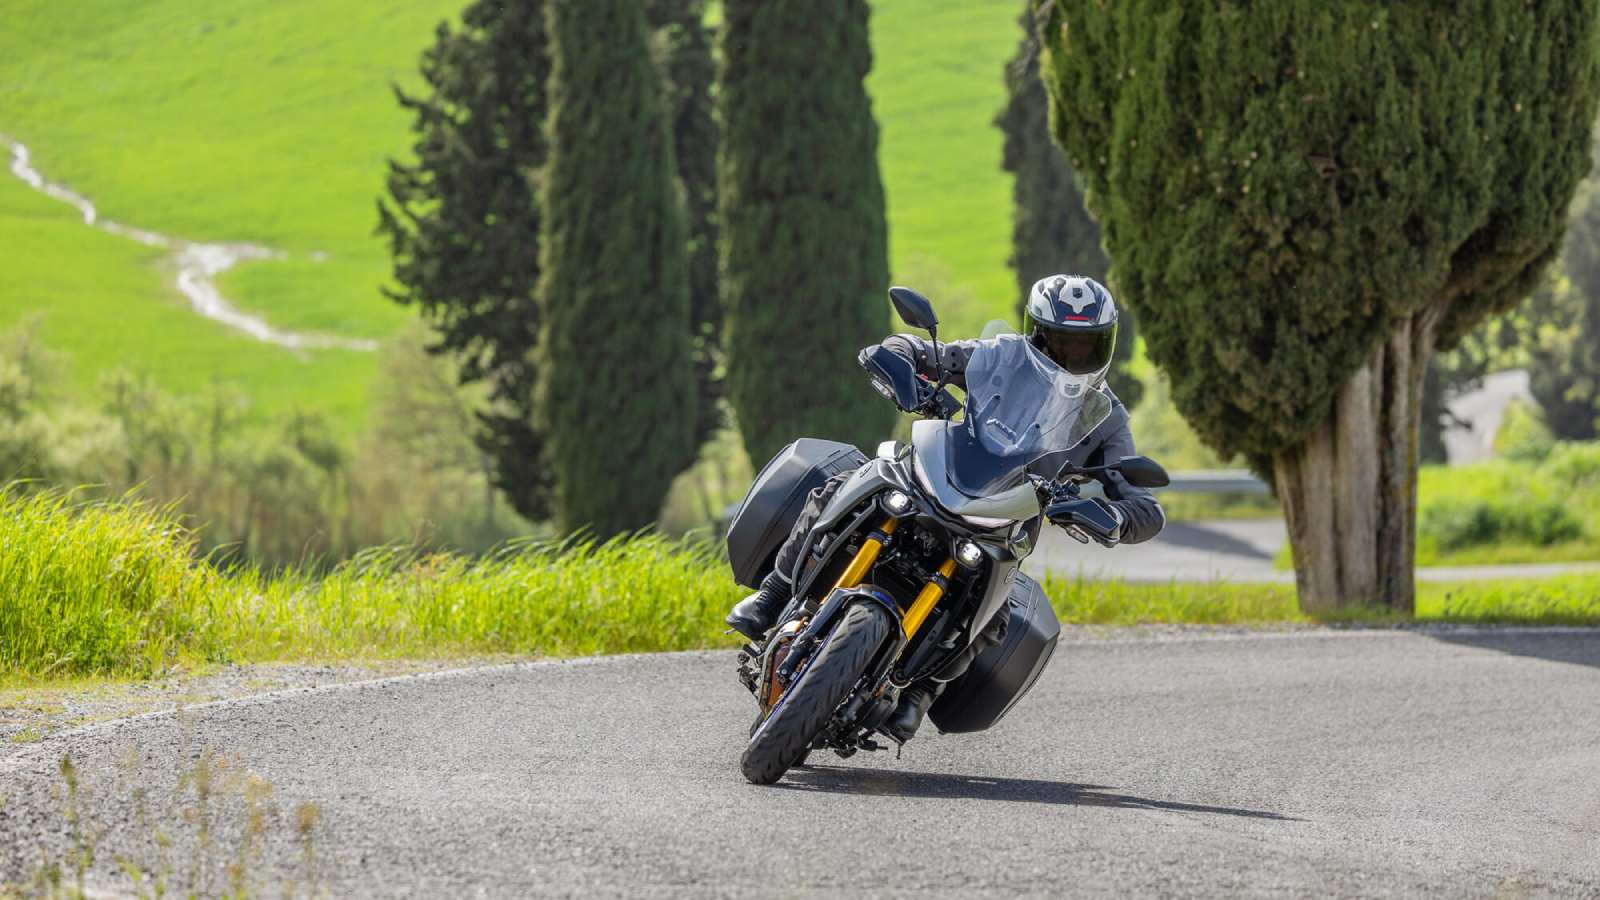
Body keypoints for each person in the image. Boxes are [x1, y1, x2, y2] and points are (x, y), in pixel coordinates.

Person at [726, 274, 1166, 741]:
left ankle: (920, 692)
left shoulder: (1106, 417)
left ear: (1106, 345)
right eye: (1060, 342)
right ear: (1035, 332)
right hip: (943, 471)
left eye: (1085, 346)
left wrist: (1113, 518)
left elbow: (1145, 506)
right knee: (839, 485)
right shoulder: (999, 355)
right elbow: (919, 351)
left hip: (1005, 517)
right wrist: (904, 367)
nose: (1072, 356)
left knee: (995, 610)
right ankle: (773, 593)